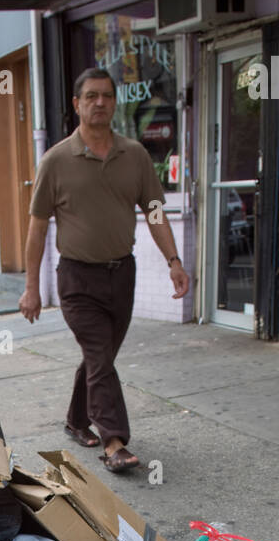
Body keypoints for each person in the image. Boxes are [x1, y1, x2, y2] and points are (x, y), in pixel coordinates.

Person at [20, 67, 190, 473]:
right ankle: (114, 442)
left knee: (101, 357)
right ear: (77, 104)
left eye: (107, 96)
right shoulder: (56, 160)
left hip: (122, 275)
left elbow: (153, 212)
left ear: (115, 103)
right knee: (99, 356)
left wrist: (174, 261)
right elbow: (38, 226)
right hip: (77, 278)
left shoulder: (133, 156)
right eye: (91, 96)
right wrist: (32, 288)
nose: (100, 103)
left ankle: (77, 420)